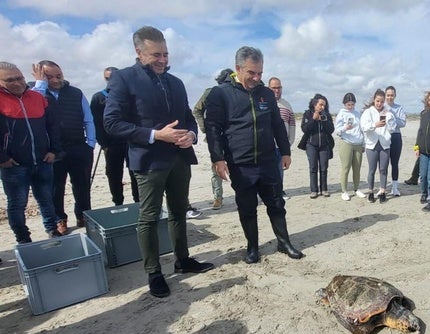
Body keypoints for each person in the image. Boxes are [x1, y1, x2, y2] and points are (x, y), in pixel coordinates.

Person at [104, 25, 214, 298]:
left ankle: (183, 260)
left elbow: (188, 118)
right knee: (149, 218)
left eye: (165, 54)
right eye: (156, 55)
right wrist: (156, 135)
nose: (163, 60)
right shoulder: (124, 79)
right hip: (149, 160)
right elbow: (112, 123)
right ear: (139, 52)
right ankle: (154, 272)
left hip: (179, 158)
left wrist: (190, 134)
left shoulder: (175, 82)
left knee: (178, 212)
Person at [205, 46, 303, 264]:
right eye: (252, 73)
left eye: (260, 73)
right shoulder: (220, 94)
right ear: (238, 69)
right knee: (247, 207)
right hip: (241, 164)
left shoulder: (265, 93)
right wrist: (217, 158)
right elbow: (213, 128)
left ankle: (283, 242)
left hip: (269, 160)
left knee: (276, 203)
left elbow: (277, 124)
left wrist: (285, 152)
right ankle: (252, 247)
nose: (257, 78)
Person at [31, 60, 96, 235]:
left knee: (82, 184)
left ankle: (83, 215)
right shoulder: (34, 93)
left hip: (78, 146)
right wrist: (40, 85)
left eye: (58, 76)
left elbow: (88, 119)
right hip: (52, 151)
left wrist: (90, 144)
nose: (55, 80)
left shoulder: (75, 92)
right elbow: (32, 111)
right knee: (55, 187)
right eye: (49, 76)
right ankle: (60, 218)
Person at [0, 61, 62, 243]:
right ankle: (23, 238)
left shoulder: (37, 98)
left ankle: (52, 230)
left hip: (43, 161)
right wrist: (2, 158)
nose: (18, 83)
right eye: (10, 80)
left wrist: (54, 151)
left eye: (20, 78)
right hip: (14, 165)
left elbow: (53, 127)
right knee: (17, 204)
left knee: (46, 199)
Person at [90, 66, 139, 206]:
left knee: (135, 172)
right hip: (111, 144)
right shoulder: (98, 98)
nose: (110, 80)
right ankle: (118, 202)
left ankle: (139, 202)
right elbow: (96, 123)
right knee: (113, 175)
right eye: (107, 78)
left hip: (130, 141)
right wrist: (104, 144)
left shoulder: (130, 94)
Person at [193, 68, 233, 210]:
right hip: (215, 137)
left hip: (233, 136)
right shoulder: (210, 92)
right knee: (216, 168)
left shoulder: (236, 92)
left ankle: (242, 195)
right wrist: (206, 129)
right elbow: (196, 110)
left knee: (238, 167)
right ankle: (218, 198)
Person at [360, 88, 396, 203]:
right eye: (377, 101)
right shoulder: (368, 112)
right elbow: (364, 127)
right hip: (372, 144)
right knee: (372, 169)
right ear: (374, 100)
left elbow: (392, 128)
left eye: (381, 101)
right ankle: (370, 191)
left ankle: (382, 191)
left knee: (383, 169)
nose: (379, 104)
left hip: (385, 144)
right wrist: (374, 125)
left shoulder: (388, 112)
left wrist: (389, 121)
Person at [298, 93, 335, 198]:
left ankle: (324, 189)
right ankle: (314, 190)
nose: (322, 107)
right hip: (311, 144)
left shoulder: (326, 115)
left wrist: (324, 121)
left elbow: (331, 130)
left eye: (324, 105)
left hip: (324, 145)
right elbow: (304, 129)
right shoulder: (307, 114)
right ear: (315, 104)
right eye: (320, 104)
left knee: (324, 168)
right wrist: (313, 119)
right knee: (313, 168)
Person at [268, 76, 296, 200]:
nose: (276, 90)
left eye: (278, 87)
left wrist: (288, 143)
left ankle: (279, 191)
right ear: (268, 88)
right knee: (267, 171)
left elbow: (292, 125)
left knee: (280, 170)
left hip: (281, 145)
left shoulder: (286, 105)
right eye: (274, 87)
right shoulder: (264, 103)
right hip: (266, 145)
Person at [334, 92, 365, 201]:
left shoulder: (357, 113)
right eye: (348, 104)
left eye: (352, 104)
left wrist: (363, 143)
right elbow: (337, 130)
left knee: (357, 168)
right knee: (346, 167)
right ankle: (344, 191)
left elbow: (362, 129)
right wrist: (344, 128)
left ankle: (356, 189)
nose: (351, 107)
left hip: (358, 143)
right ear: (344, 104)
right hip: (346, 142)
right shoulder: (341, 113)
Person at [385, 86, 407, 196]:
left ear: (395, 96)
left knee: (394, 163)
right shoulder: (381, 106)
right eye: (388, 95)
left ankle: (395, 187)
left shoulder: (399, 108)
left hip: (396, 136)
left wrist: (392, 116)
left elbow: (403, 123)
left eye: (392, 95)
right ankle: (383, 187)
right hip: (383, 137)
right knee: (383, 164)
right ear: (385, 96)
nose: (390, 97)